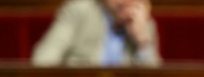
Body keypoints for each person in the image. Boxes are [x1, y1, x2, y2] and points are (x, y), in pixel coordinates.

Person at [31, 0, 161, 67]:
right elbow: (42, 61)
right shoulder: (78, 11)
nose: (124, 1)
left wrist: (142, 42)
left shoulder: (144, 24)